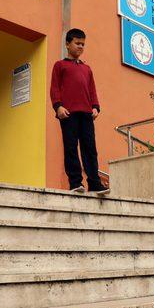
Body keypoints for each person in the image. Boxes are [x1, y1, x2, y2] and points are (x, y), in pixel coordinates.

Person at [50, 28, 109, 194]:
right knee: (71, 148)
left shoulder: (87, 69)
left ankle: (94, 183)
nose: (81, 47)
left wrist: (96, 107)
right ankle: (75, 183)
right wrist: (58, 106)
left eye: (83, 44)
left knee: (90, 149)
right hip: (68, 113)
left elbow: (92, 90)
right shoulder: (60, 65)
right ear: (67, 44)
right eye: (77, 43)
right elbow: (54, 88)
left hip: (86, 114)